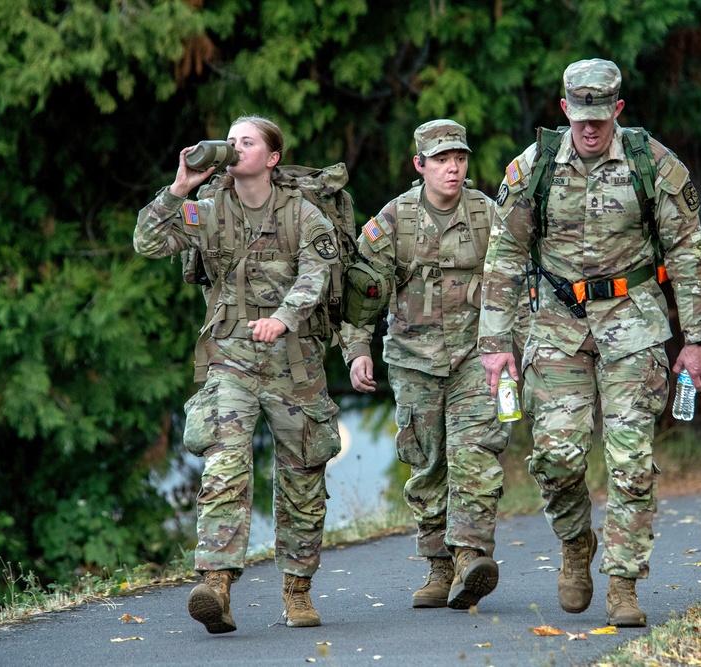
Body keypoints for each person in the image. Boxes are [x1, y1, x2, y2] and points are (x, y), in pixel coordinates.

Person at [478, 59, 701, 627]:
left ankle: (625, 582)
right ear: (564, 110)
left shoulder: (652, 166)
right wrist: (494, 342)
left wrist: (699, 339)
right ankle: (575, 543)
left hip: (633, 322)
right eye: (580, 116)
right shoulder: (532, 168)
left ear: (618, 109)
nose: (590, 129)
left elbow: (688, 253)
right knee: (556, 458)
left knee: (631, 461)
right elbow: (505, 255)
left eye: (601, 116)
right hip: (557, 325)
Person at [134, 115, 342, 633]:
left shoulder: (304, 214)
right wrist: (179, 186)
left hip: (295, 363)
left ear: (271, 158)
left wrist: (283, 318)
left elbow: (318, 274)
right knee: (225, 463)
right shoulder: (207, 211)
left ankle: (297, 590)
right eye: (230, 141)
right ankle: (216, 584)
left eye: (246, 142)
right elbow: (148, 241)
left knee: (303, 475)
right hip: (230, 358)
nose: (233, 148)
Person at [341, 119, 510, 610]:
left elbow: (514, 281)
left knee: (475, 453)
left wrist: (516, 346)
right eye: (441, 160)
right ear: (420, 165)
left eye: (458, 158)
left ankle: (471, 557)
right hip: (414, 363)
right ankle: (439, 566)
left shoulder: (488, 216)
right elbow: (361, 293)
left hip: (477, 359)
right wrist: (357, 351)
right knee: (427, 463)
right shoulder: (393, 221)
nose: (452, 168)